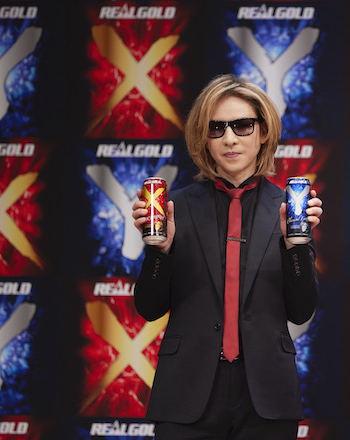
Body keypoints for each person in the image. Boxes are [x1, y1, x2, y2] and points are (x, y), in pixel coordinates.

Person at [131, 74, 322, 439]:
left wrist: (293, 248)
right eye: (216, 128)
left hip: (267, 395)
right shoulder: (174, 208)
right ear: (203, 138)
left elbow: (301, 311)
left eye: (242, 125)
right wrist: (160, 251)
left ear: (263, 132)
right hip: (186, 392)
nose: (230, 139)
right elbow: (149, 309)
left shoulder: (290, 210)